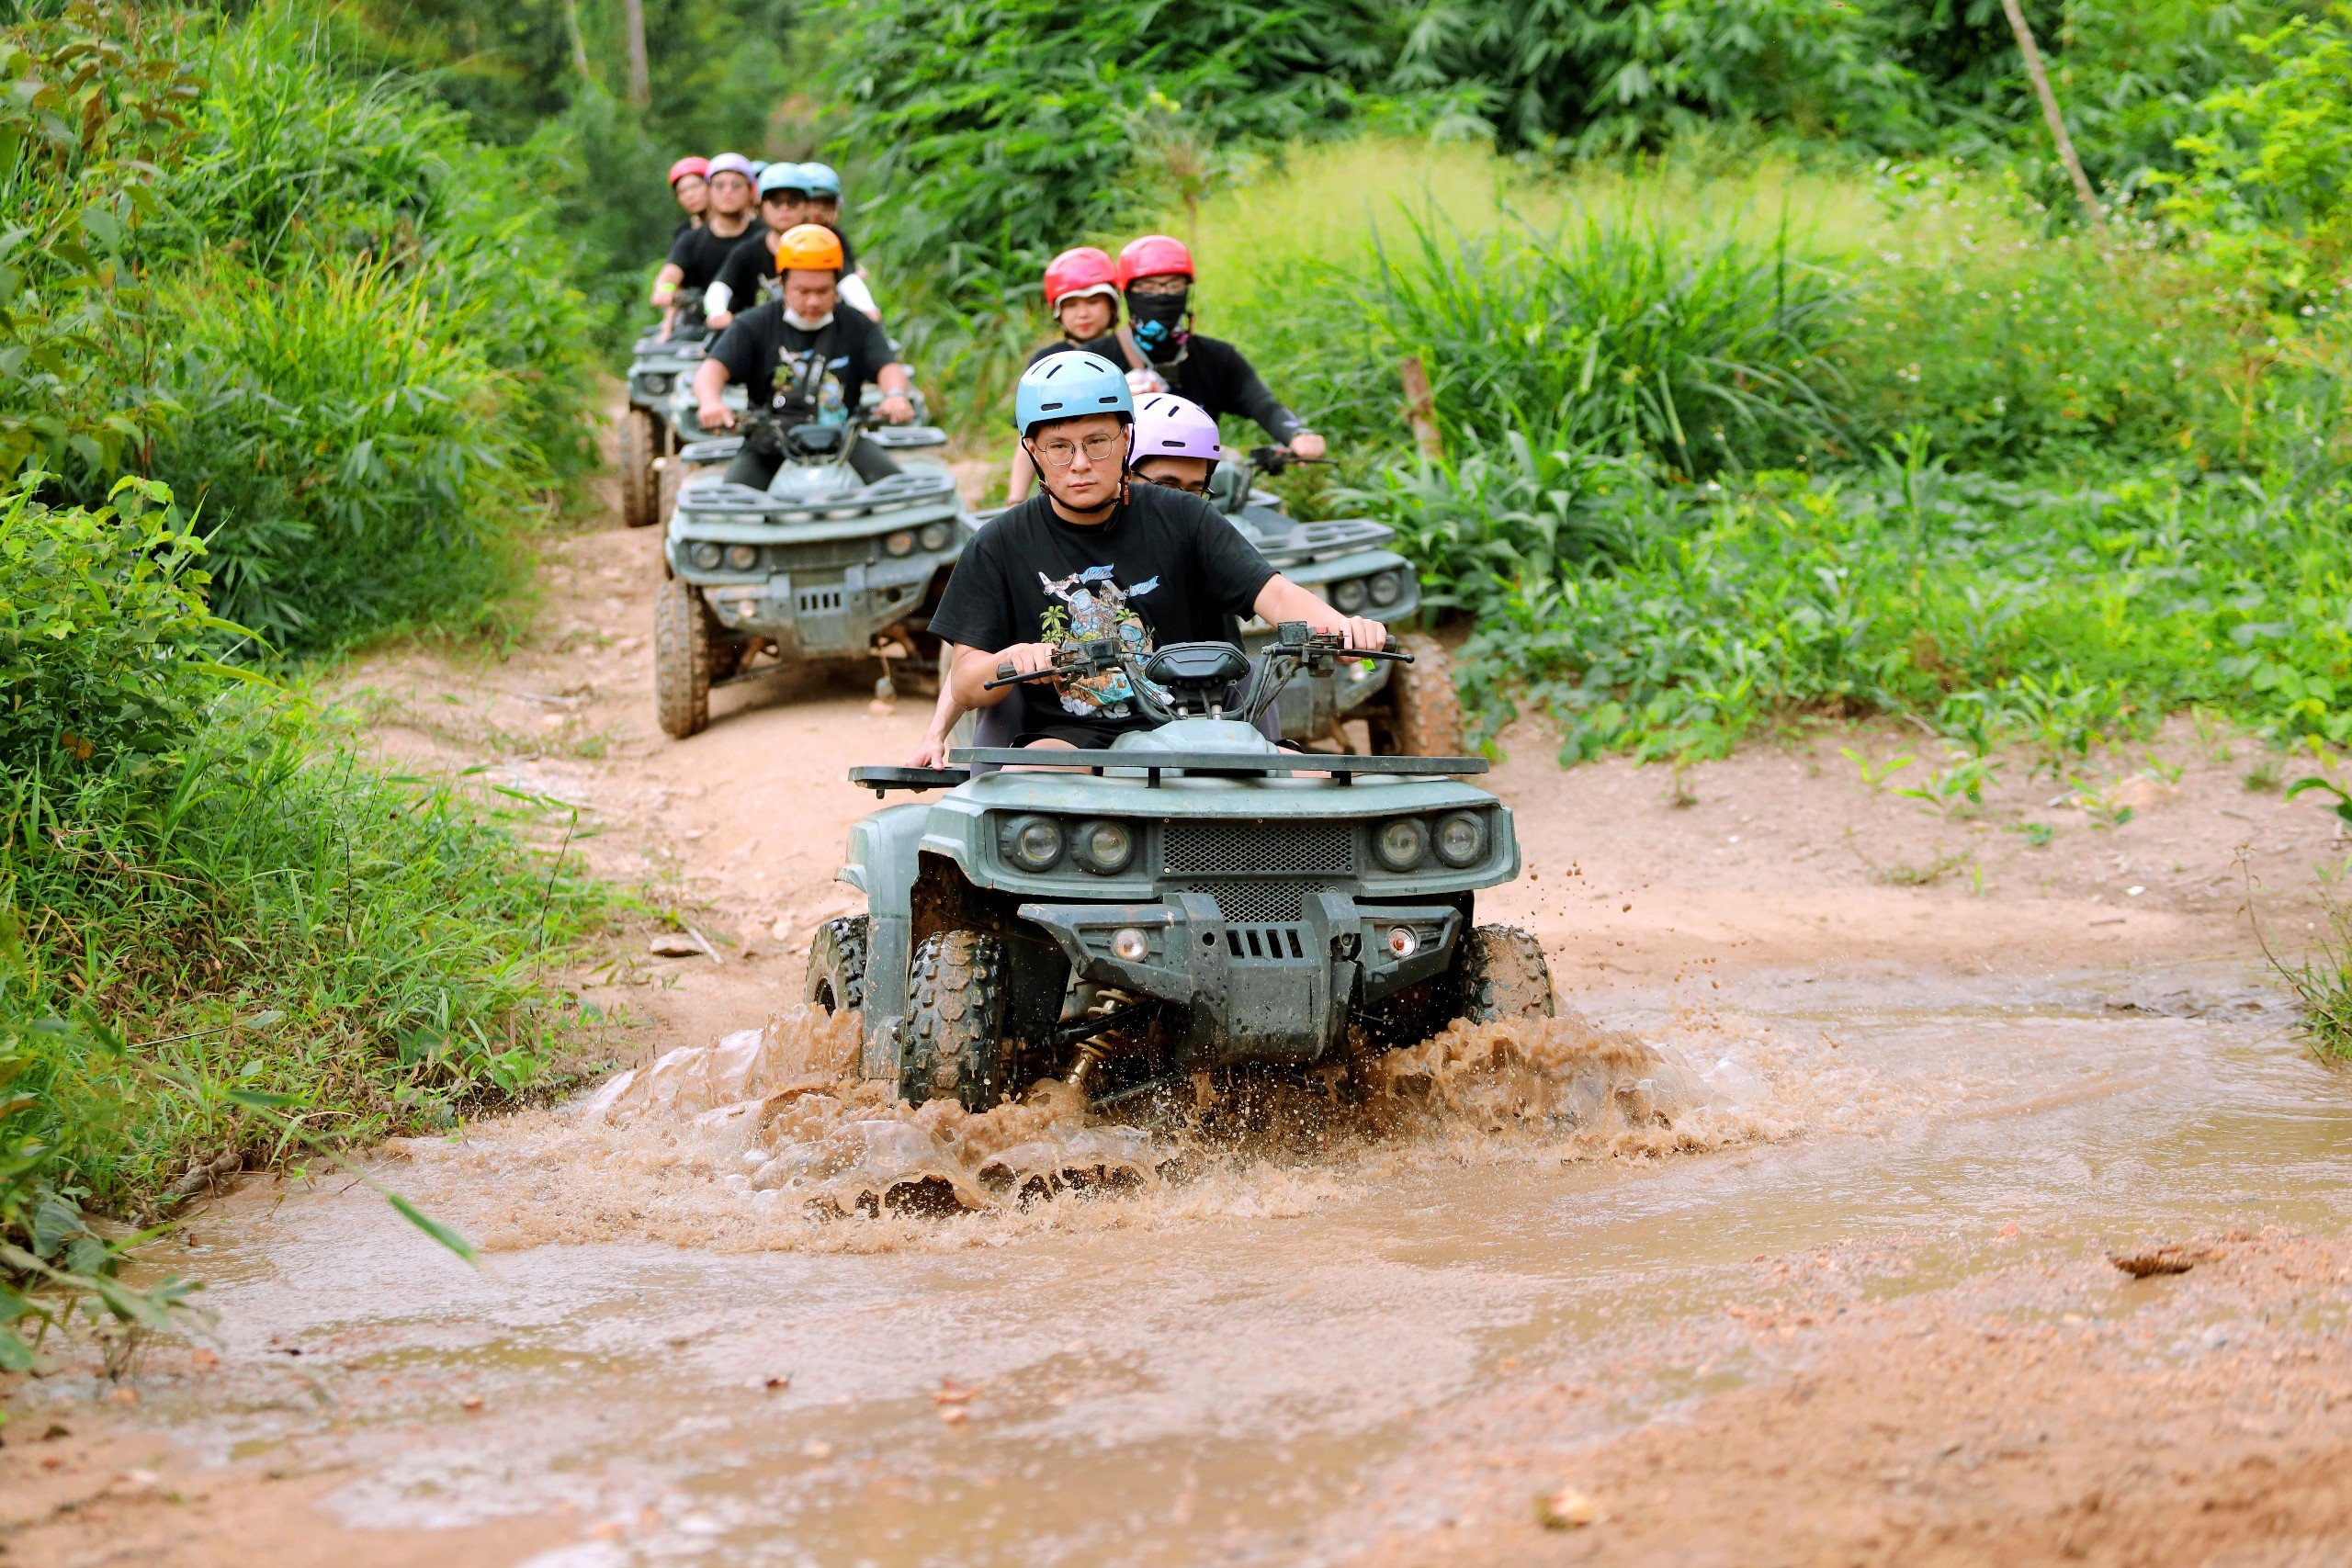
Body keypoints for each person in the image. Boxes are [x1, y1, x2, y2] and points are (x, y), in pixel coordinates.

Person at [919, 353, 1382, 758]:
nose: (1080, 463)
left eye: (1097, 442)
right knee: (1043, 769)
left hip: (1204, 729)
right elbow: (963, 679)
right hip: (1070, 734)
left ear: (1125, 439)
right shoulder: (999, 542)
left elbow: (1275, 596)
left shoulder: (1185, 516)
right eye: (1059, 447)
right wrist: (1012, 661)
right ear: (1032, 452)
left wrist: (1342, 629)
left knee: (1310, 783)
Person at [913, 385, 1230, 763]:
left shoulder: (1195, 532)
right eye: (1164, 485)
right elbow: (973, 660)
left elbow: (1269, 606)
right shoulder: (1010, 542)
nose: (1180, 500)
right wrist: (936, 732)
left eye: (1196, 489)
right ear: (1127, 464)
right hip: (1072, 734)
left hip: (1181, 728)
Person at [692, 224, 916, 492]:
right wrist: (710, 403)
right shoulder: (753, 325)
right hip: (768, 445)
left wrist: (895, 395)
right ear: (782, 283)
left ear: (837, 286)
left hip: (844, 441)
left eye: (823, 291)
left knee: (900, 494)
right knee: (730, 509)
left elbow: (888, 366)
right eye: (802, 291)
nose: (813, 302)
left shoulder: (857, 325)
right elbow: (711, 371)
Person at [1083, 234, 1327, 463]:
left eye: (1174, 286)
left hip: (1202, 486)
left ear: (1187, 291)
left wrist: (1297, 434)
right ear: (1128, 293)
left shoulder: (1217, 358)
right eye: (1149, 288)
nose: (1162, 295)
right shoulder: (1097, 360)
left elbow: (1261, 403)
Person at [1003, 246, 1123, 504]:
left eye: (1093, 302)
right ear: (1058, 312)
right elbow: (1026, 439)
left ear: (1112, 304)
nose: (1083, 313)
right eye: (1071, 304)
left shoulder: (1127, 352)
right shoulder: (1045, 365)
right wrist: (1015, 499)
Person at [651, 152, 760, 342]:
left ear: (750, 190)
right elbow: (670, 275)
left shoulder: (763, 236)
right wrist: (666, 289)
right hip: (702, 328)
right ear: (709, 190)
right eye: (720, 185)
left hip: (755, 327)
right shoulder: (690, 239)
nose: (728, 191)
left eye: (736, 185)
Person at [706, 162, 811, 332]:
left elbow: (847, 281)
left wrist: (868, 310)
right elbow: (720, 286)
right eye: (776, 202)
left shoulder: (824, 245)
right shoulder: (747, 251)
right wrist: (717, 312)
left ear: (806, 206)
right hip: (760, 336)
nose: (784, 208)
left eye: (793, 201)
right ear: (762, 206)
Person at [795, 163, 880, 321]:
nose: (817, 211)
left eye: (824, 204)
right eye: (811, 202)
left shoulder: (834, 239)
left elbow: (847, 275)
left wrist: (867, 308)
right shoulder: (770, 240)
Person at [667, 156, 709, 237]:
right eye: (682, 191)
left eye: (695, 186)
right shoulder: (682, 233)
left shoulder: (735, 226)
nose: (689, 195)